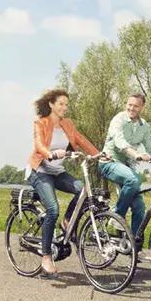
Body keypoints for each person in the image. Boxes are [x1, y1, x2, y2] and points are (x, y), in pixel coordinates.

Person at [27, 89, 100, 276]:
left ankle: (67, 222)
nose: (64, 108)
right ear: (51, 104)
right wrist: (50, 153)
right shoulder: (40, 123)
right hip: (40, 171)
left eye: (66, 104)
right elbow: (39, 145)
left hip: (57, 171)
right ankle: (46, 257)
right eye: (61, 104)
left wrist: (98, 154)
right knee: (52, 209)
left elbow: (81, 139)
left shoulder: (67, 124)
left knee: (83, 190)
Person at [99, 93, 151, 256]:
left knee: (139, 208)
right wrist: (136, 154)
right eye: (129, 104)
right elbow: (120, 142)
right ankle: (117, 216)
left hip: (127, 166)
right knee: (133, 179)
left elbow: (150, 146)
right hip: (109, 162)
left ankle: (133, 246)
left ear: (142, 107)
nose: (131, 108)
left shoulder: (145, 126)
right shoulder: (118, 120)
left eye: (135, 106)